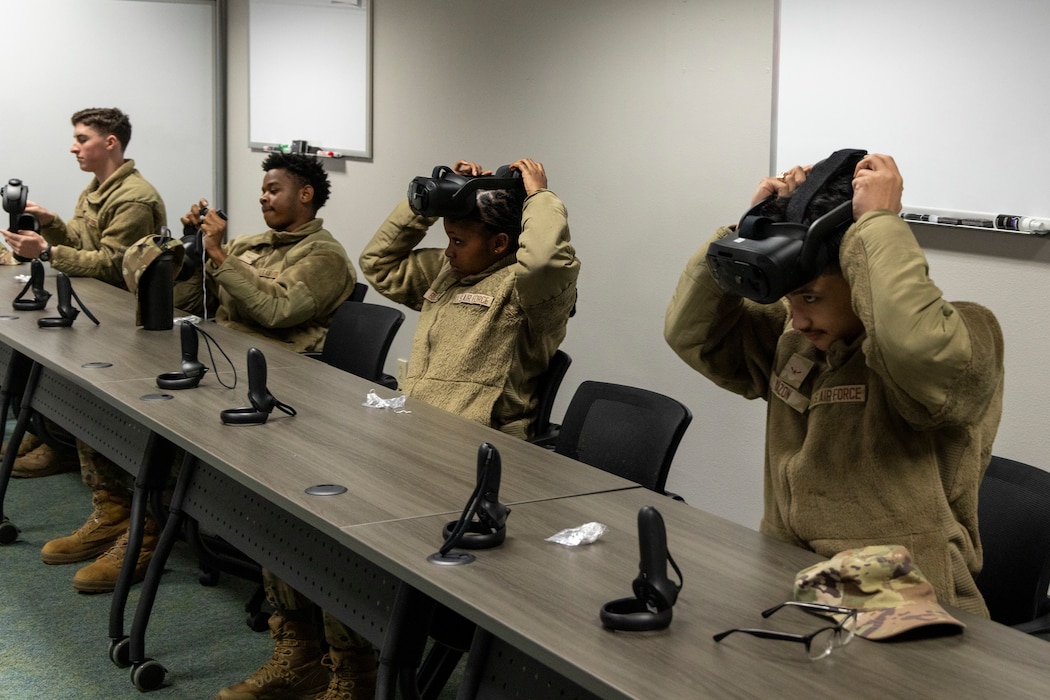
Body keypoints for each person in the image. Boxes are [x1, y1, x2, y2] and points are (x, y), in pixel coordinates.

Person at [218, 157, 579, 700]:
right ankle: (306, 654)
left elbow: (547, 260)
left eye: (459, 241)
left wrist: (539, 200)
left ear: (502, 244)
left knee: (349, 537)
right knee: (295, 504)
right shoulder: (447, 274)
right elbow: (378, 263)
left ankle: (356, 674)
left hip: (475, 468)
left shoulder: (531, 298)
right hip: (414, 445)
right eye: (446, 238)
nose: (448, 251)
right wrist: (423, 204)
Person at [663, 152, 1004, 618]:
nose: (797, 317)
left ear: (857, 267)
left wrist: (878, 223)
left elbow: (916, 349)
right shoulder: (797, 340)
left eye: (811, 297)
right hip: (794, 577)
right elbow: (692, 333)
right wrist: (751, 228)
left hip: (905, 600)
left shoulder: (967, 336)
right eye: (789, 298)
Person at [0, 107, 168, 593]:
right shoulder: (95, 190)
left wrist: (47, 253)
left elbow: (117, 268)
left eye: (81, 139)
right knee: (74, 394)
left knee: (98, 405)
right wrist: (53, 226)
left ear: (111, 143)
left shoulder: (134, 197)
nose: (73, 147)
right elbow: (83, 242)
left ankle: (129, 518)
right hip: (97, 315)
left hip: (123, 321)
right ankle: (108, 504)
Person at [174, 151, 356, 353]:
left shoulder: (325, 257)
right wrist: (194, 248)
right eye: (263, 191)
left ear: (305, 194)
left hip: (281, 365)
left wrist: (218, 253)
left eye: (273, 190)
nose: (263, 198)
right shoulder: (244, 245)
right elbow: (187, 305)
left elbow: (277, 311)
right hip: (225, 348)